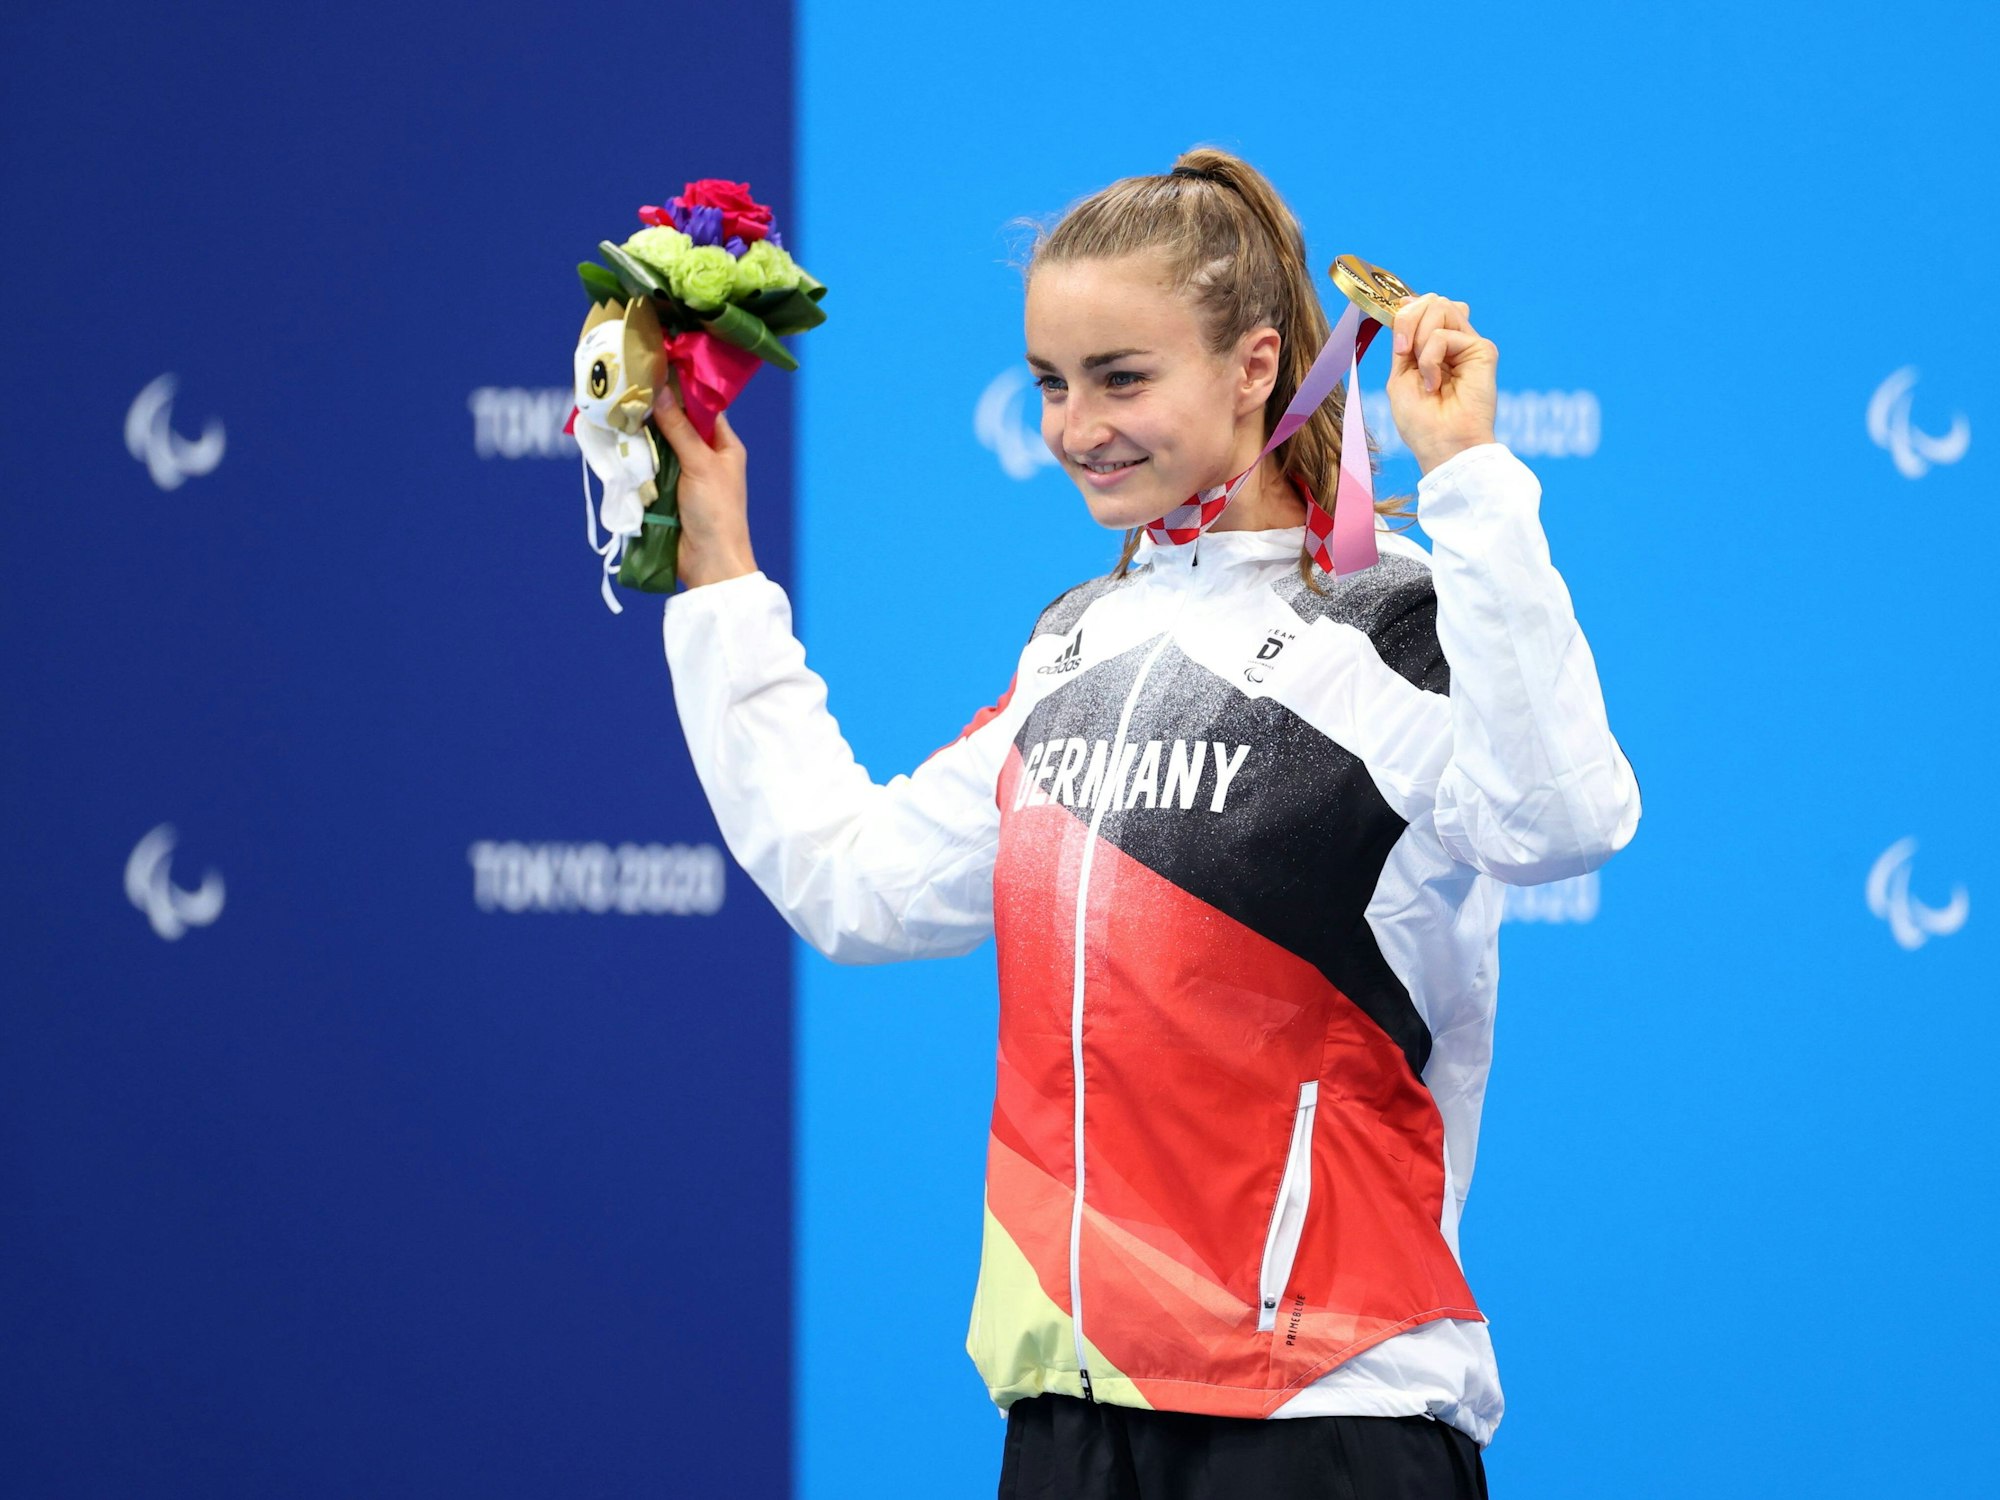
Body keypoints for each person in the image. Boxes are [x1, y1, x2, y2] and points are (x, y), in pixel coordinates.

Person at [653, 146, 1640, 1499]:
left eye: (1121, 378)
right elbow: (854, 884)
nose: (1075, 427)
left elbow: (1563, 819)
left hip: (1326, 1415)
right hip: (1068, 1415)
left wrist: (1467, 477)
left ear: (1255, 367)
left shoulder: (1392, 621)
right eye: (1051, 383)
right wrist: (719, 571)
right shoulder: (1076, 643)